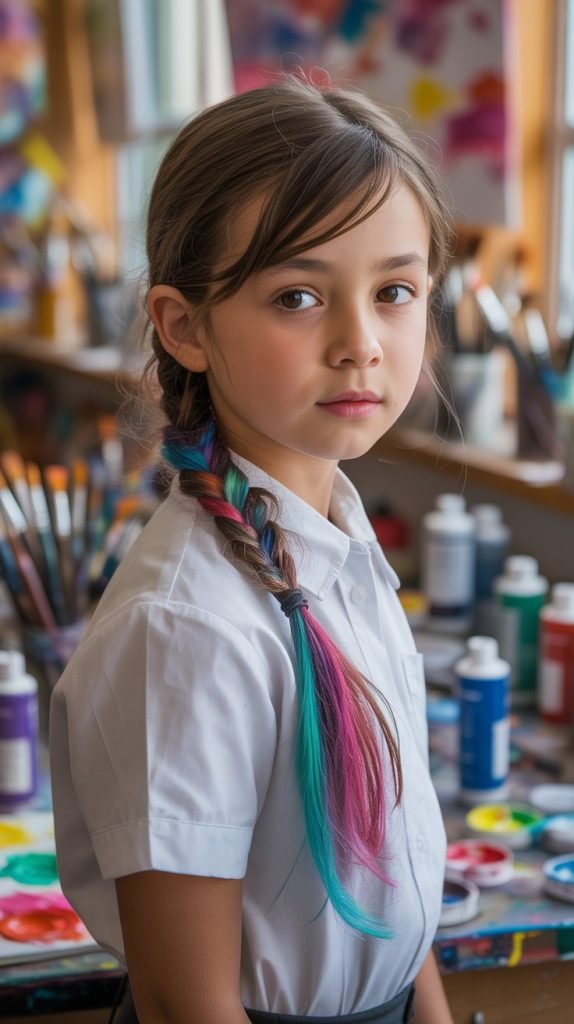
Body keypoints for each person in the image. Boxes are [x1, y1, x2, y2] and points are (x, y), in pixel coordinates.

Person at [50, 78, 455, 1024]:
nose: (361, 343)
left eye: (394, 290)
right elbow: (183, 1000)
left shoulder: (340, 551)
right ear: (183, 327)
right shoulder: (187, 628)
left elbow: (395, 892)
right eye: (299, 296)